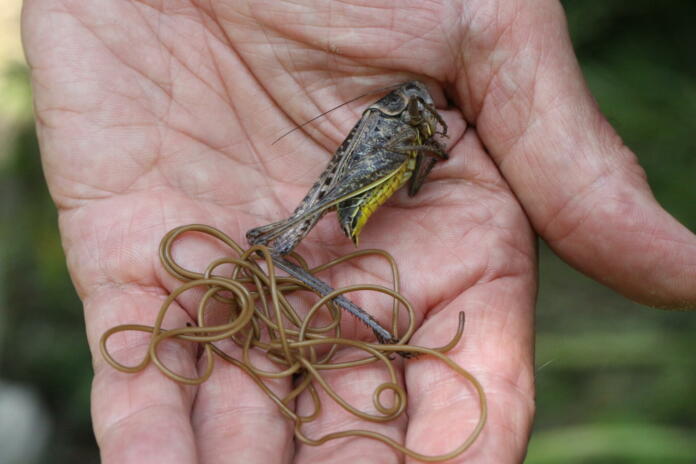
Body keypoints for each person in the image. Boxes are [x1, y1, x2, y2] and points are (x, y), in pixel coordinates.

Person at [21, 1, 696, 462]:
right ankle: (303, 276)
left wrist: (424, 147)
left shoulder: (409, 121)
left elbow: (420, 169)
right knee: (295, 240)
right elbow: (413, 164)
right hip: (343, 193)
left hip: (373, 178)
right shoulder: (396, 125)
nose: (418, 107)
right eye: (411, 105)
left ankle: (308, 282)